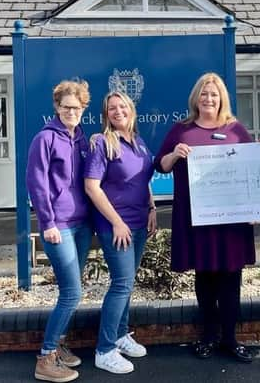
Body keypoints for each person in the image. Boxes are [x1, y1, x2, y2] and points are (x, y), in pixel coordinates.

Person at [155, 73, 256, 363]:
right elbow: (161, 165)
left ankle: (231, 339)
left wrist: (255, 208)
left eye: (213, 94)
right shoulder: (181, 130)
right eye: (204, 94)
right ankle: (209, 336)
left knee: (231, 279)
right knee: (205, 278)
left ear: (222, 98)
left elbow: (253, 169)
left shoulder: (236, 129)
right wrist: (174, 154)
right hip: (196, 217)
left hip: (231, 220)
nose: (208, 99)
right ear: (196, 99)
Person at [84, 90, 156, 374]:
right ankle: (104, 350)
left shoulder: (138, 142)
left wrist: (151, 208)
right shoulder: (102, 143)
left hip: (138, 222)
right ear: (106, 115)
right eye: (111, 108)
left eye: (122, 106)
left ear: (131, 110)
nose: (117, 111)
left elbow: (143, 179)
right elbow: (92, 187)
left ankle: (121, 334)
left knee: (128, 282)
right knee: (121, 284)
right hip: (116, 226)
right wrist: (116, 222)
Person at [27, 80, 92, 383]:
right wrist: (48, 223)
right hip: (59, 227)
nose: (70, 111)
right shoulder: (45, 139)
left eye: (76, 108)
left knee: (72, 291)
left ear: (83, 109)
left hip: (81, 225)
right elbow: (37, 184)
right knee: (72, 292)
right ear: (56, 107)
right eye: (65, 107)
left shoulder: (81, 138)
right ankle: (46, 356)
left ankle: (59, 343)